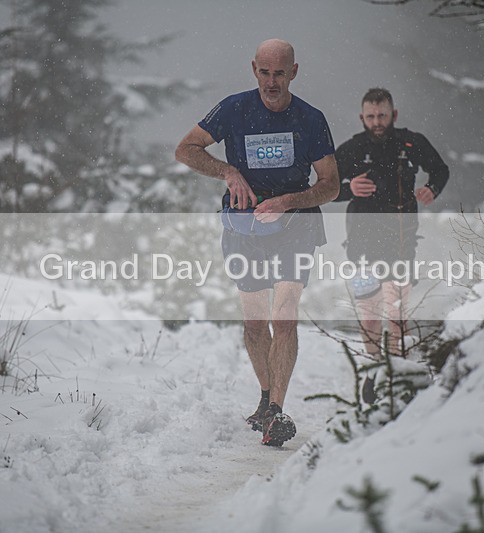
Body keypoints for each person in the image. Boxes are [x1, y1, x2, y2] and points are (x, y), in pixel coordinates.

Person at [175, 39, 339, 446]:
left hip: (296, 227)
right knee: (254, 325)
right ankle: (266, 400)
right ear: (254, 70)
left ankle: (278, 413)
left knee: (283, 316)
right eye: (264, 73)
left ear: (294, 72)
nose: (271, 82)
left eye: (279, 73)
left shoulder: (311, 120)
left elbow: (331, 185)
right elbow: (185, 150)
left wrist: (289, 201)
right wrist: (228, 172)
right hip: (244, 229)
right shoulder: (234, 109)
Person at [334, 87, 449, 368]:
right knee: (369, 311)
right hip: (361, 241)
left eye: (382, 115)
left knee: (396, 309)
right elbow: (323, 187)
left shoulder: (411, 143)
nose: (377, 122)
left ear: (393, 115)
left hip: (401, 238)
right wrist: (349, 189)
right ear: (361, 117)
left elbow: (440, 169)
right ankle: (372, 368)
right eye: (371, 116)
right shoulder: (352, 148)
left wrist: (432, 189)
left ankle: (400, 371)